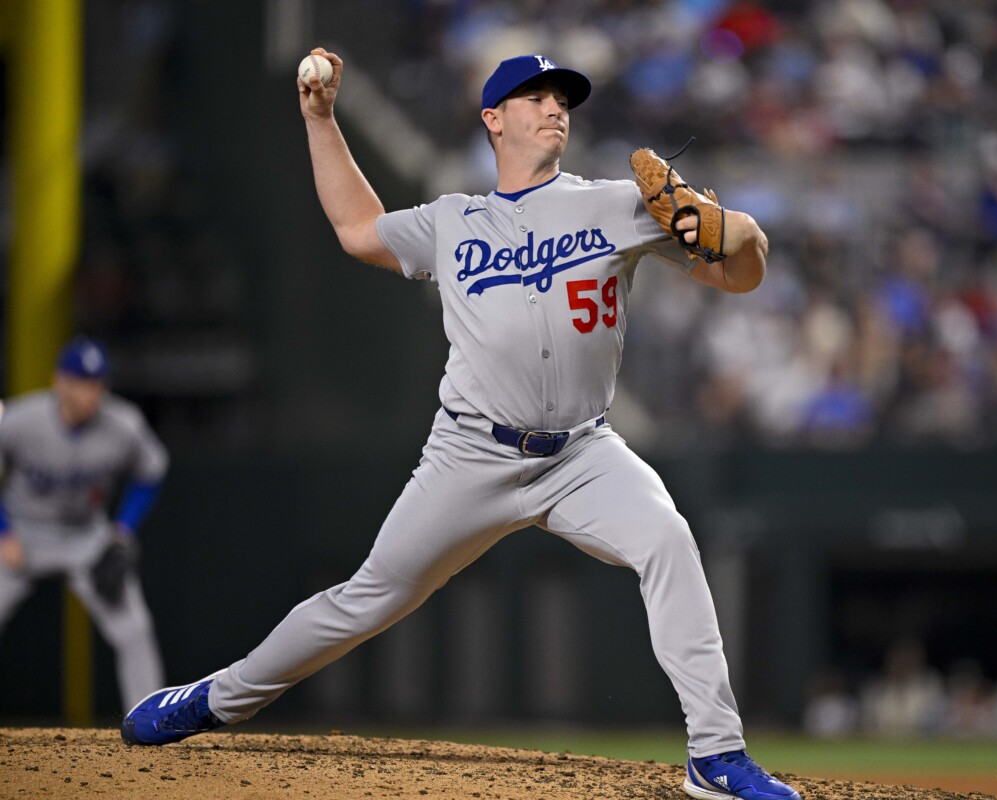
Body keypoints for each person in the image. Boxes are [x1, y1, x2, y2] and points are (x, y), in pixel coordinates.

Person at [122, 50, 799, 800]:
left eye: (561, 99)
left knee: (668, 540)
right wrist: (319, 119)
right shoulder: (453, 220)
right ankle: (217, 697)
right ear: (493, 118)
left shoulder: (615, 204)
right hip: (471, 454)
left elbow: (739, 271)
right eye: (534, 96)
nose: (554, 108)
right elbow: (356, 228)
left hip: (584, 453)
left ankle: (715, 753)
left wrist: (732, 228)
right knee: (365, 598)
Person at [0, 336, 167, 711]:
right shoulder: (21, 419)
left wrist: (122, 530)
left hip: (86, 537)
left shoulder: (124, 424)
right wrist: (3, 532)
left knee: (135, 629)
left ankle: (148, 721)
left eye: (97, 383)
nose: (90, 393)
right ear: (59, 381)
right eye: (80, 382)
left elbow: (151, 471)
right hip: (23, 533)